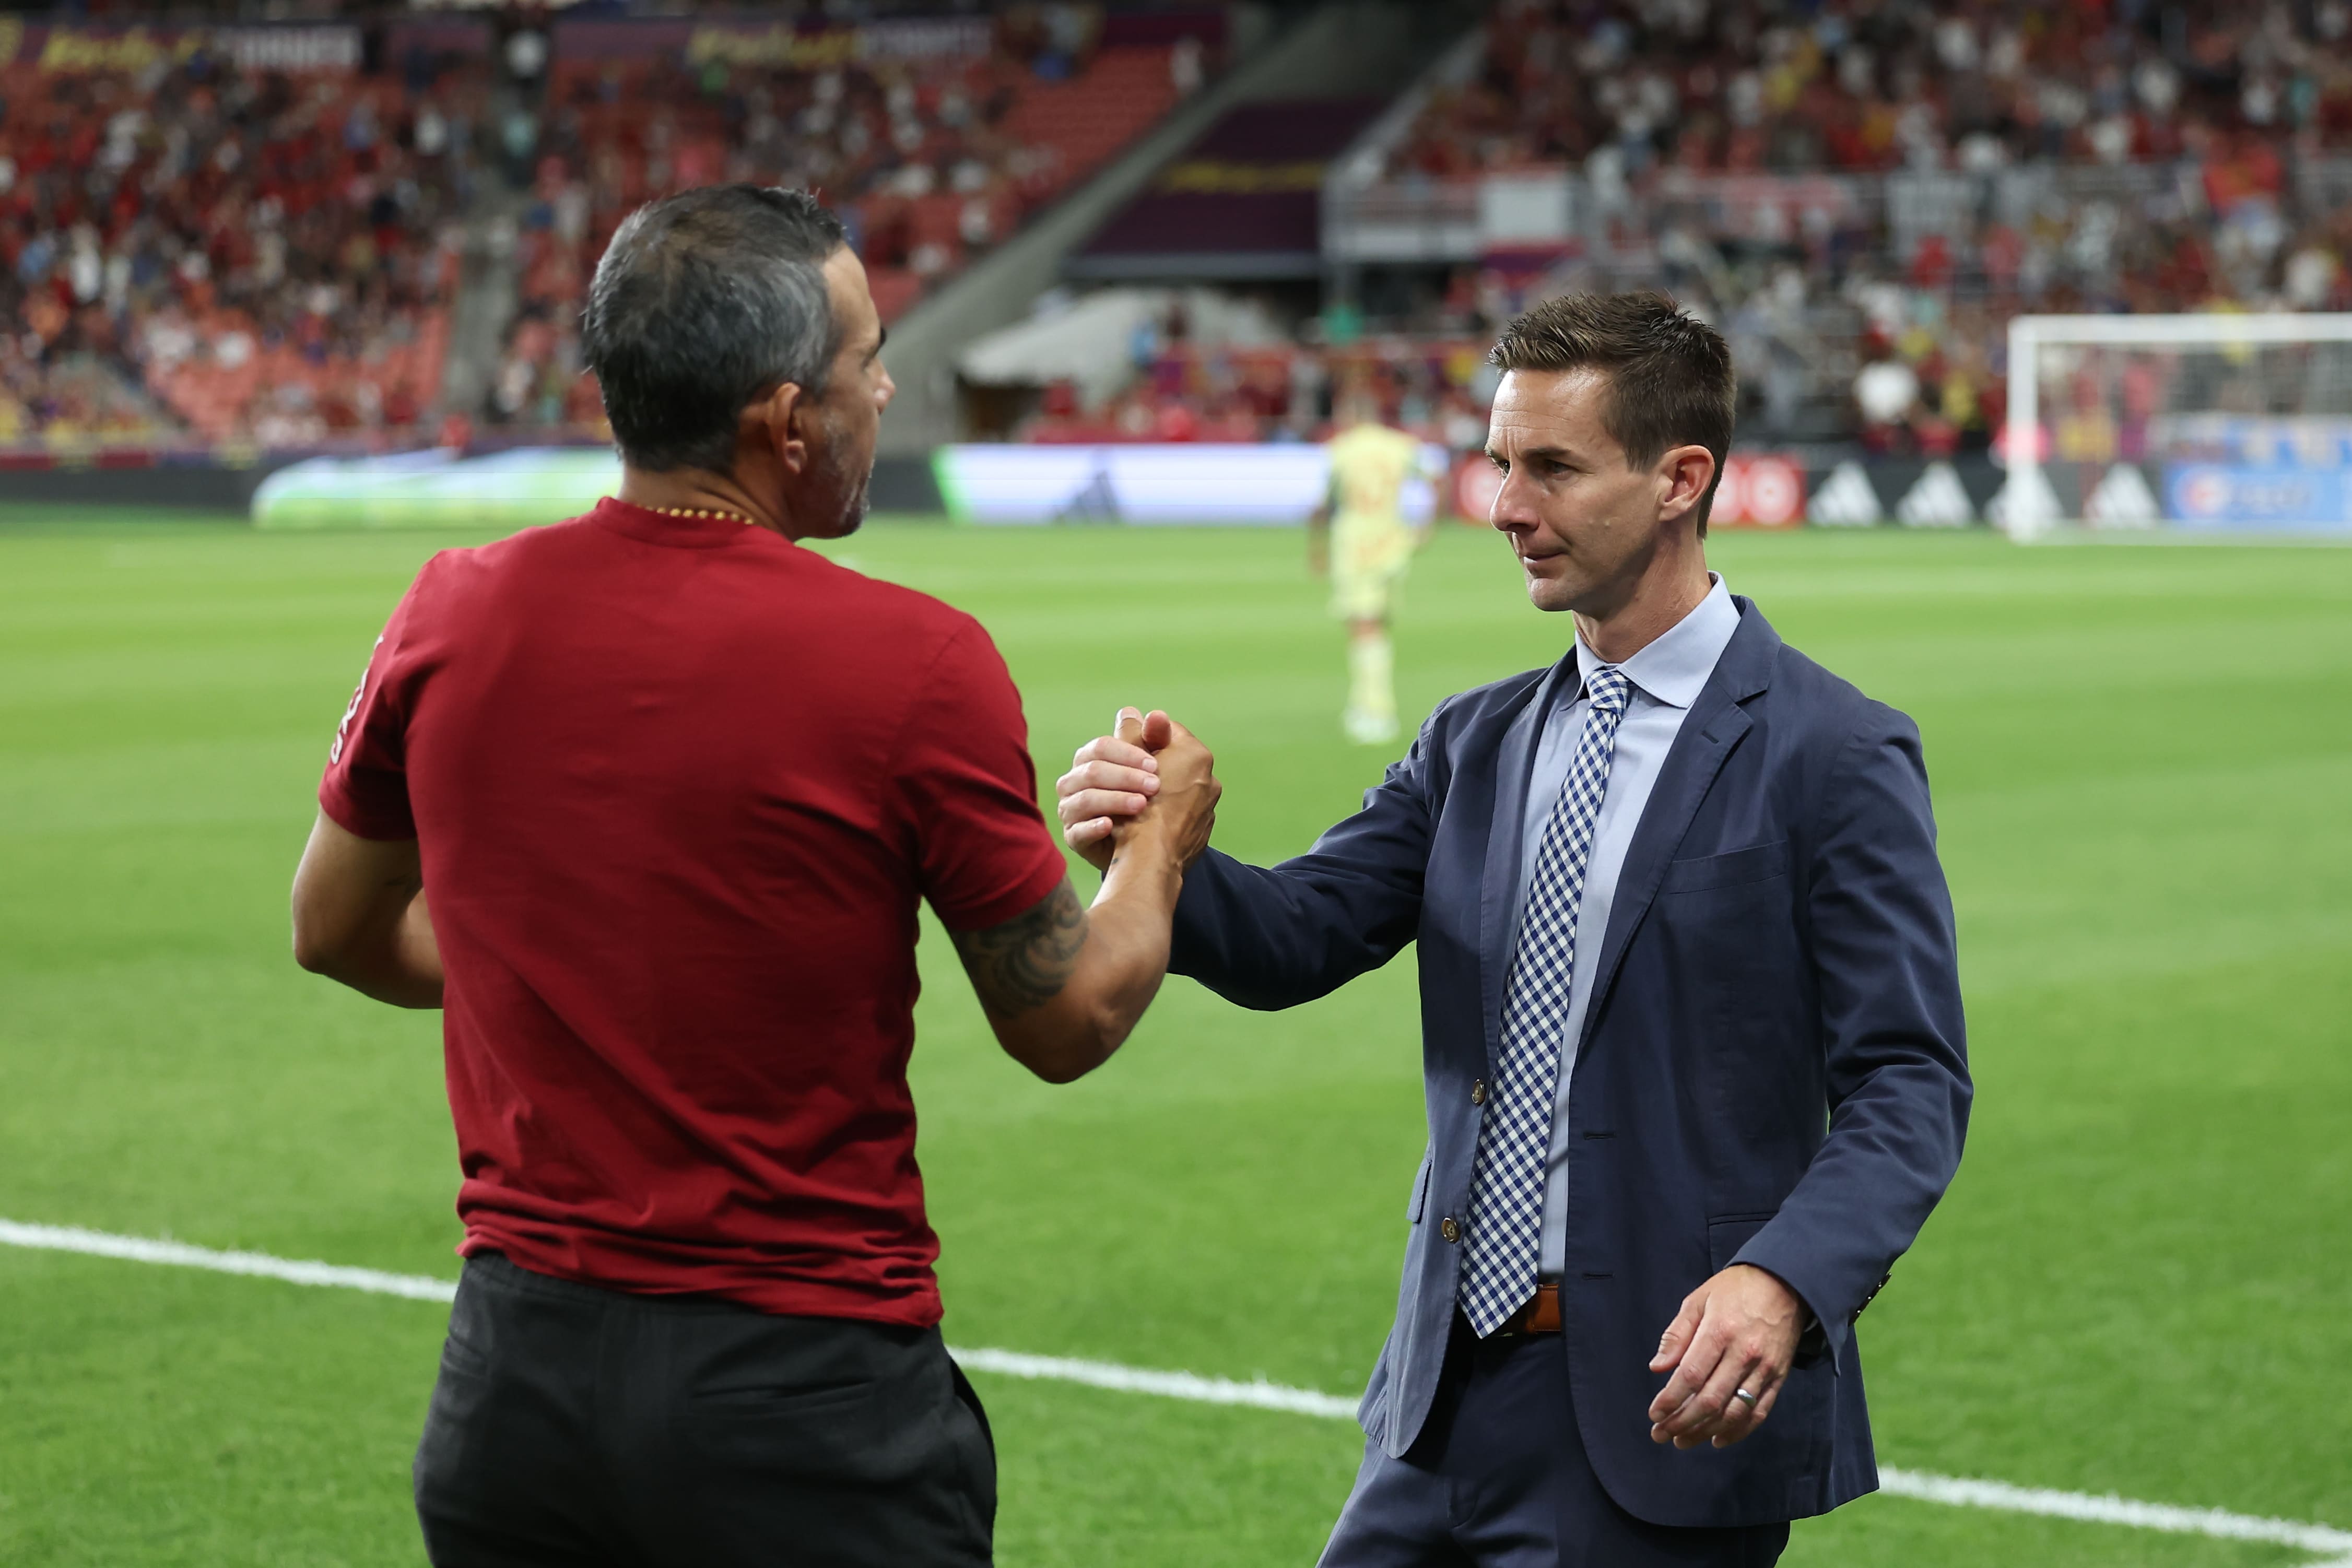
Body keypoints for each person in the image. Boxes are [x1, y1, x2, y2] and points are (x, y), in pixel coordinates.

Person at [288, 185, 1219, 1568]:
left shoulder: (451, 608)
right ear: (786, 423)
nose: (889, 388)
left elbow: (335, 926)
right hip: (806, 1408)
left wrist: (561, 968)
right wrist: (1161, 840)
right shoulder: (915, 660)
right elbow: (1068, 1017)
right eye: (868, 361)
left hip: (515, 1390)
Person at [1058, 292, 1969, 1566]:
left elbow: (1909, 1080)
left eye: (1550, 467)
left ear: (1678, 480)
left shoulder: (1832, 752)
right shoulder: (1473, 739)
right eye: (1499, 461)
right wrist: (1160, 854)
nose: (1502, 506)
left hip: (1660, 1418)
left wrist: (1784, 1280)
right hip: (1436, 1408)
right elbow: (1299, 934)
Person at [1312, 392, 1439, 745]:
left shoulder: (1343, 449)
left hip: (1357, 546)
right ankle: (1364, 703)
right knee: (1378, 625)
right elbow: (1437, 478)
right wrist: (1427, 526)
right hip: (1393, 545)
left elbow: (1326, 504)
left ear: (1349, 415)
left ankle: (1376, 711)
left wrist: (1317, 549)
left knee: (1363, 628)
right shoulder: (1399, 445)